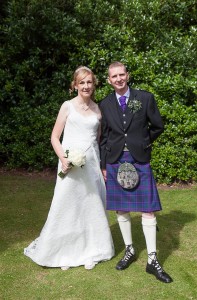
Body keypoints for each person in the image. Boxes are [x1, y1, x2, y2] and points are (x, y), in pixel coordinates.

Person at [24, 66, 114, 270]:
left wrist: (100, 165)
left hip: (90, 164)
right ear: (74, 85)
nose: (86, 86)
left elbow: (97, 140)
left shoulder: (98, 110)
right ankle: (62, 251)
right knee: (66, 206)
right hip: (69, 165)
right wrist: (64, 159)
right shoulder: (67, 106)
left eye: (89, 82)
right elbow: (55, 137)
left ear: (94, 84)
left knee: (90, 205)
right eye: (81, 82)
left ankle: (91, 250)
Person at [99, 61, 173, 283]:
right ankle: (129, 250)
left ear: (127, 75)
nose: (119, 79)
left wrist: (143, 143)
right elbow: (104, 137)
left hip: (139, 159)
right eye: (114, 76)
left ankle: (152, 260)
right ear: (109, 80)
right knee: (121, 210)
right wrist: (103, 164)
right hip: (114, 160)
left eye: (122, 75)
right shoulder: (104, 104)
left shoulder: (144, 98)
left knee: (148, 210)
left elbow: (157, 126)